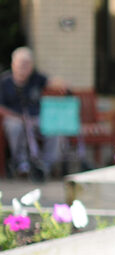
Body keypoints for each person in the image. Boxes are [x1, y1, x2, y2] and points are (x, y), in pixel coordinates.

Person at [0, 47, 66, 179]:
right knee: (16, 127)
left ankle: (46, 165)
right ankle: (22, 164)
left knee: (54, 128)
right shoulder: (4, 81)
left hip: (36, 117)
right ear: (13, 64)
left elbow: (58, 84)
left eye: (27, 64)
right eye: (21, 63)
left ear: (31, 66)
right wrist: (19, 117)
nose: (23, 67)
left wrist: (58, 85)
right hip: (13, 117)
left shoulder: (36, 78)